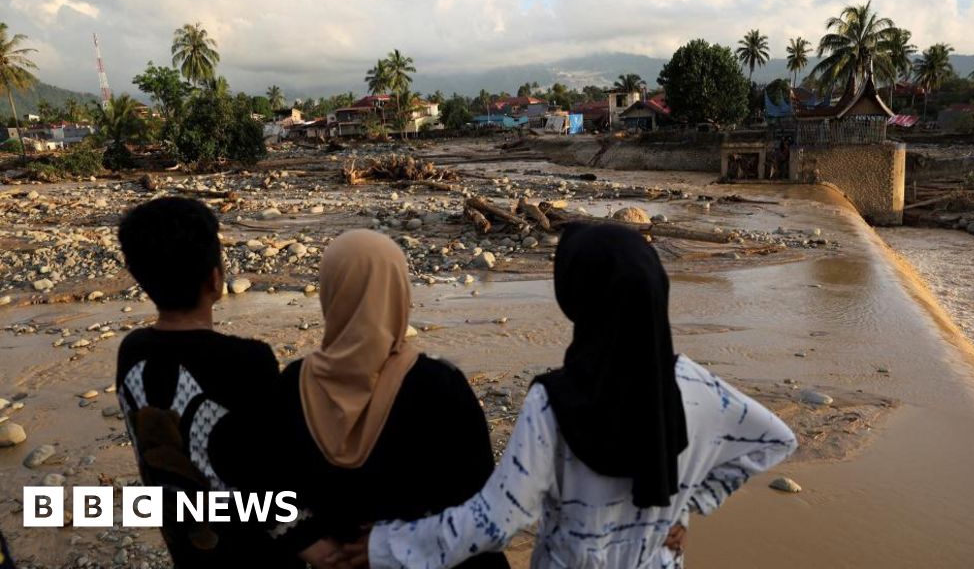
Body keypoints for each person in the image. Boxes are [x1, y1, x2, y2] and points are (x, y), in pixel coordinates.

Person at [355, 223, 798, 569]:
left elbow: (496, 521)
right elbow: (774, 440)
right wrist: (683, 510)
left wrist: (384, 547)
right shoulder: (698, 385)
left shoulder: (553, 403)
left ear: (576, 297)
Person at [248, 230, 509, 569]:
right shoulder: (439, 388)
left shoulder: (292, 384)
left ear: (330, 294)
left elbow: (259, 488)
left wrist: (304, 540)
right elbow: (482, 511)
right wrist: (394, 544)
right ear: (399, 294)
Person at [116, 197, 337, 568]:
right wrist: (308, 540)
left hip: (188, 548)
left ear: (141, 279)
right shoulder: (248, 360)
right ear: (215, 278)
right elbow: (270, 470)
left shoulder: (131, 353)